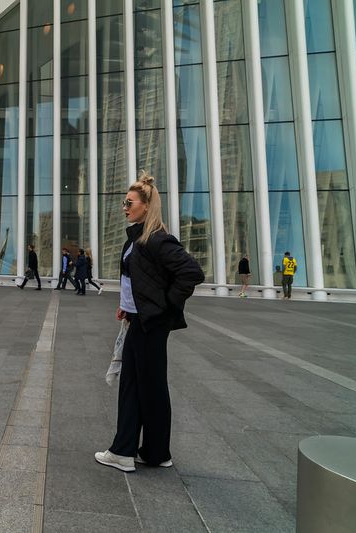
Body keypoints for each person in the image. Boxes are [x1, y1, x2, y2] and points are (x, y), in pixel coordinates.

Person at [95, 171, 204, 473]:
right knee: (151, 387)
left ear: (146, 206)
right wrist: (127, 308)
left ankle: (123, 452)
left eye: (129, 202)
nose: (124, 207)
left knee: (134, 386)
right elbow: (139, 279)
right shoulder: (139, 237)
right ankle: (156, 453)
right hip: (140, 320)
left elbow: (192, 273)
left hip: (149, 324)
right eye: (123, 202)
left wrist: (164, 306)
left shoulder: (157, 240)